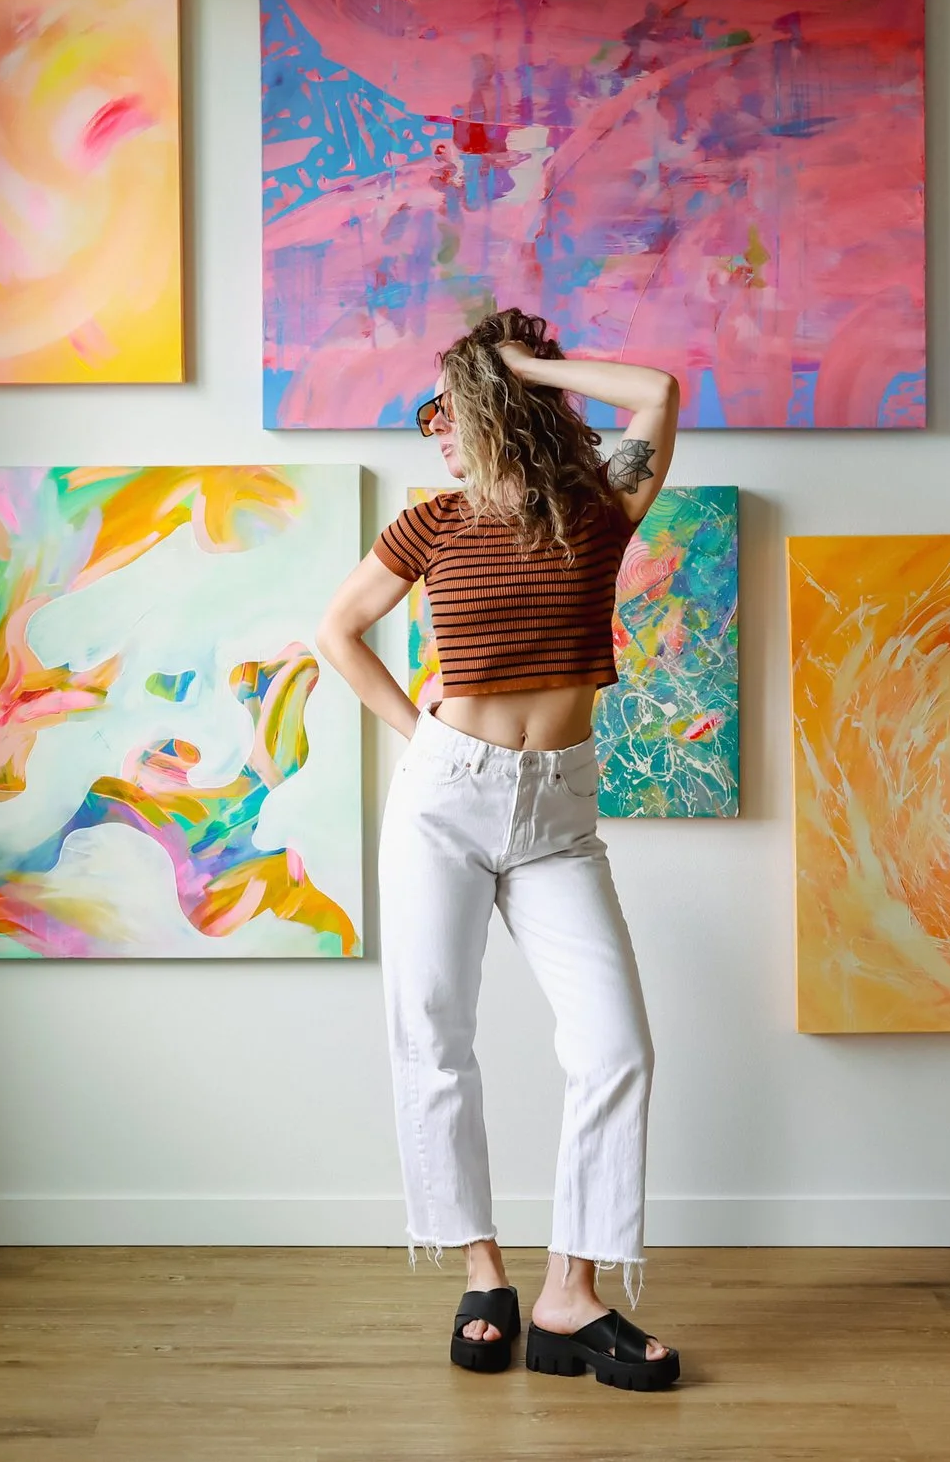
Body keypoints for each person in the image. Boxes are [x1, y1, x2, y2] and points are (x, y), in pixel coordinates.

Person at [314, 307, 683, 1393]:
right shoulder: (427, 526)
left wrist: (515, 359)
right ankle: (482, 1271)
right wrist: (414, 733)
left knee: (614, 1045)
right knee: (433, 1032)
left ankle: (572, 1289)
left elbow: (657, 391)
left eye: (446, 407)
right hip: (445, 798)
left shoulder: (598, 505)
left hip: (558, 815)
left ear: (499, 408)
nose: (432, 428)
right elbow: (335, 629)